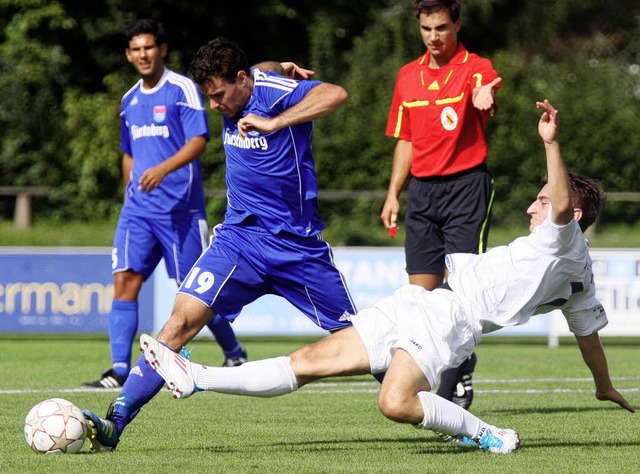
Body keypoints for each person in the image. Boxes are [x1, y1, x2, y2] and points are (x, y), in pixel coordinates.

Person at [139, 100, 635, 455]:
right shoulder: (574, 271)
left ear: (573, 212)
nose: (534, 205)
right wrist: (603, 386)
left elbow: (563, 206)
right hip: (421, 300)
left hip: (451, 317)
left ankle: (487, 433)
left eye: (543, 200)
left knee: (394, 403)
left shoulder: (562, 239)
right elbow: (588, 336)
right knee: (308, 361)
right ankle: (198, 377)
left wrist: (552, 143)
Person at [81, 36, 357, 450]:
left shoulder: (273, 95)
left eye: (218, 95)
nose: (215, 106)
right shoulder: (250, 82)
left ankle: (437, 405)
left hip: (297, 246)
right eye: (209, 97)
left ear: (243, 80)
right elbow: (264, 67)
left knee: (363, 343)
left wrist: (278, 121)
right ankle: (114, 422)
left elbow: (335, 93)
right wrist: (281, 62)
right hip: (238, 240)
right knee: (178, 323)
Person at [81, 20, 248, 389]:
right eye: (136, 49)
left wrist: (162, 169)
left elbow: (198, 141)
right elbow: (128, 152)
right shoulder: (129, 99)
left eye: (149, 47)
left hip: (180, 211)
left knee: (196, 292)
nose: (143, 54)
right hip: (139, 211)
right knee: (125, 280)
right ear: (128, 54)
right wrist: (130, 188)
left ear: (162, 49)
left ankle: (234, 352)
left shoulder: (182, 89)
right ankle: (119, 370)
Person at [380, 0, 502, 409]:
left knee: (460, 288)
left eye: (442, 28)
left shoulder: (475, 67)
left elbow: (487, 87)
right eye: (427, 29)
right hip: (422, 192)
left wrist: (484, 95)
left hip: (467, 185)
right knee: (421, 295)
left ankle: (454, 381)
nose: (434, 36)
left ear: (457, 25)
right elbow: (406, 140)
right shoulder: (406, 76)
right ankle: (443, 368)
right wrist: (393, 193)